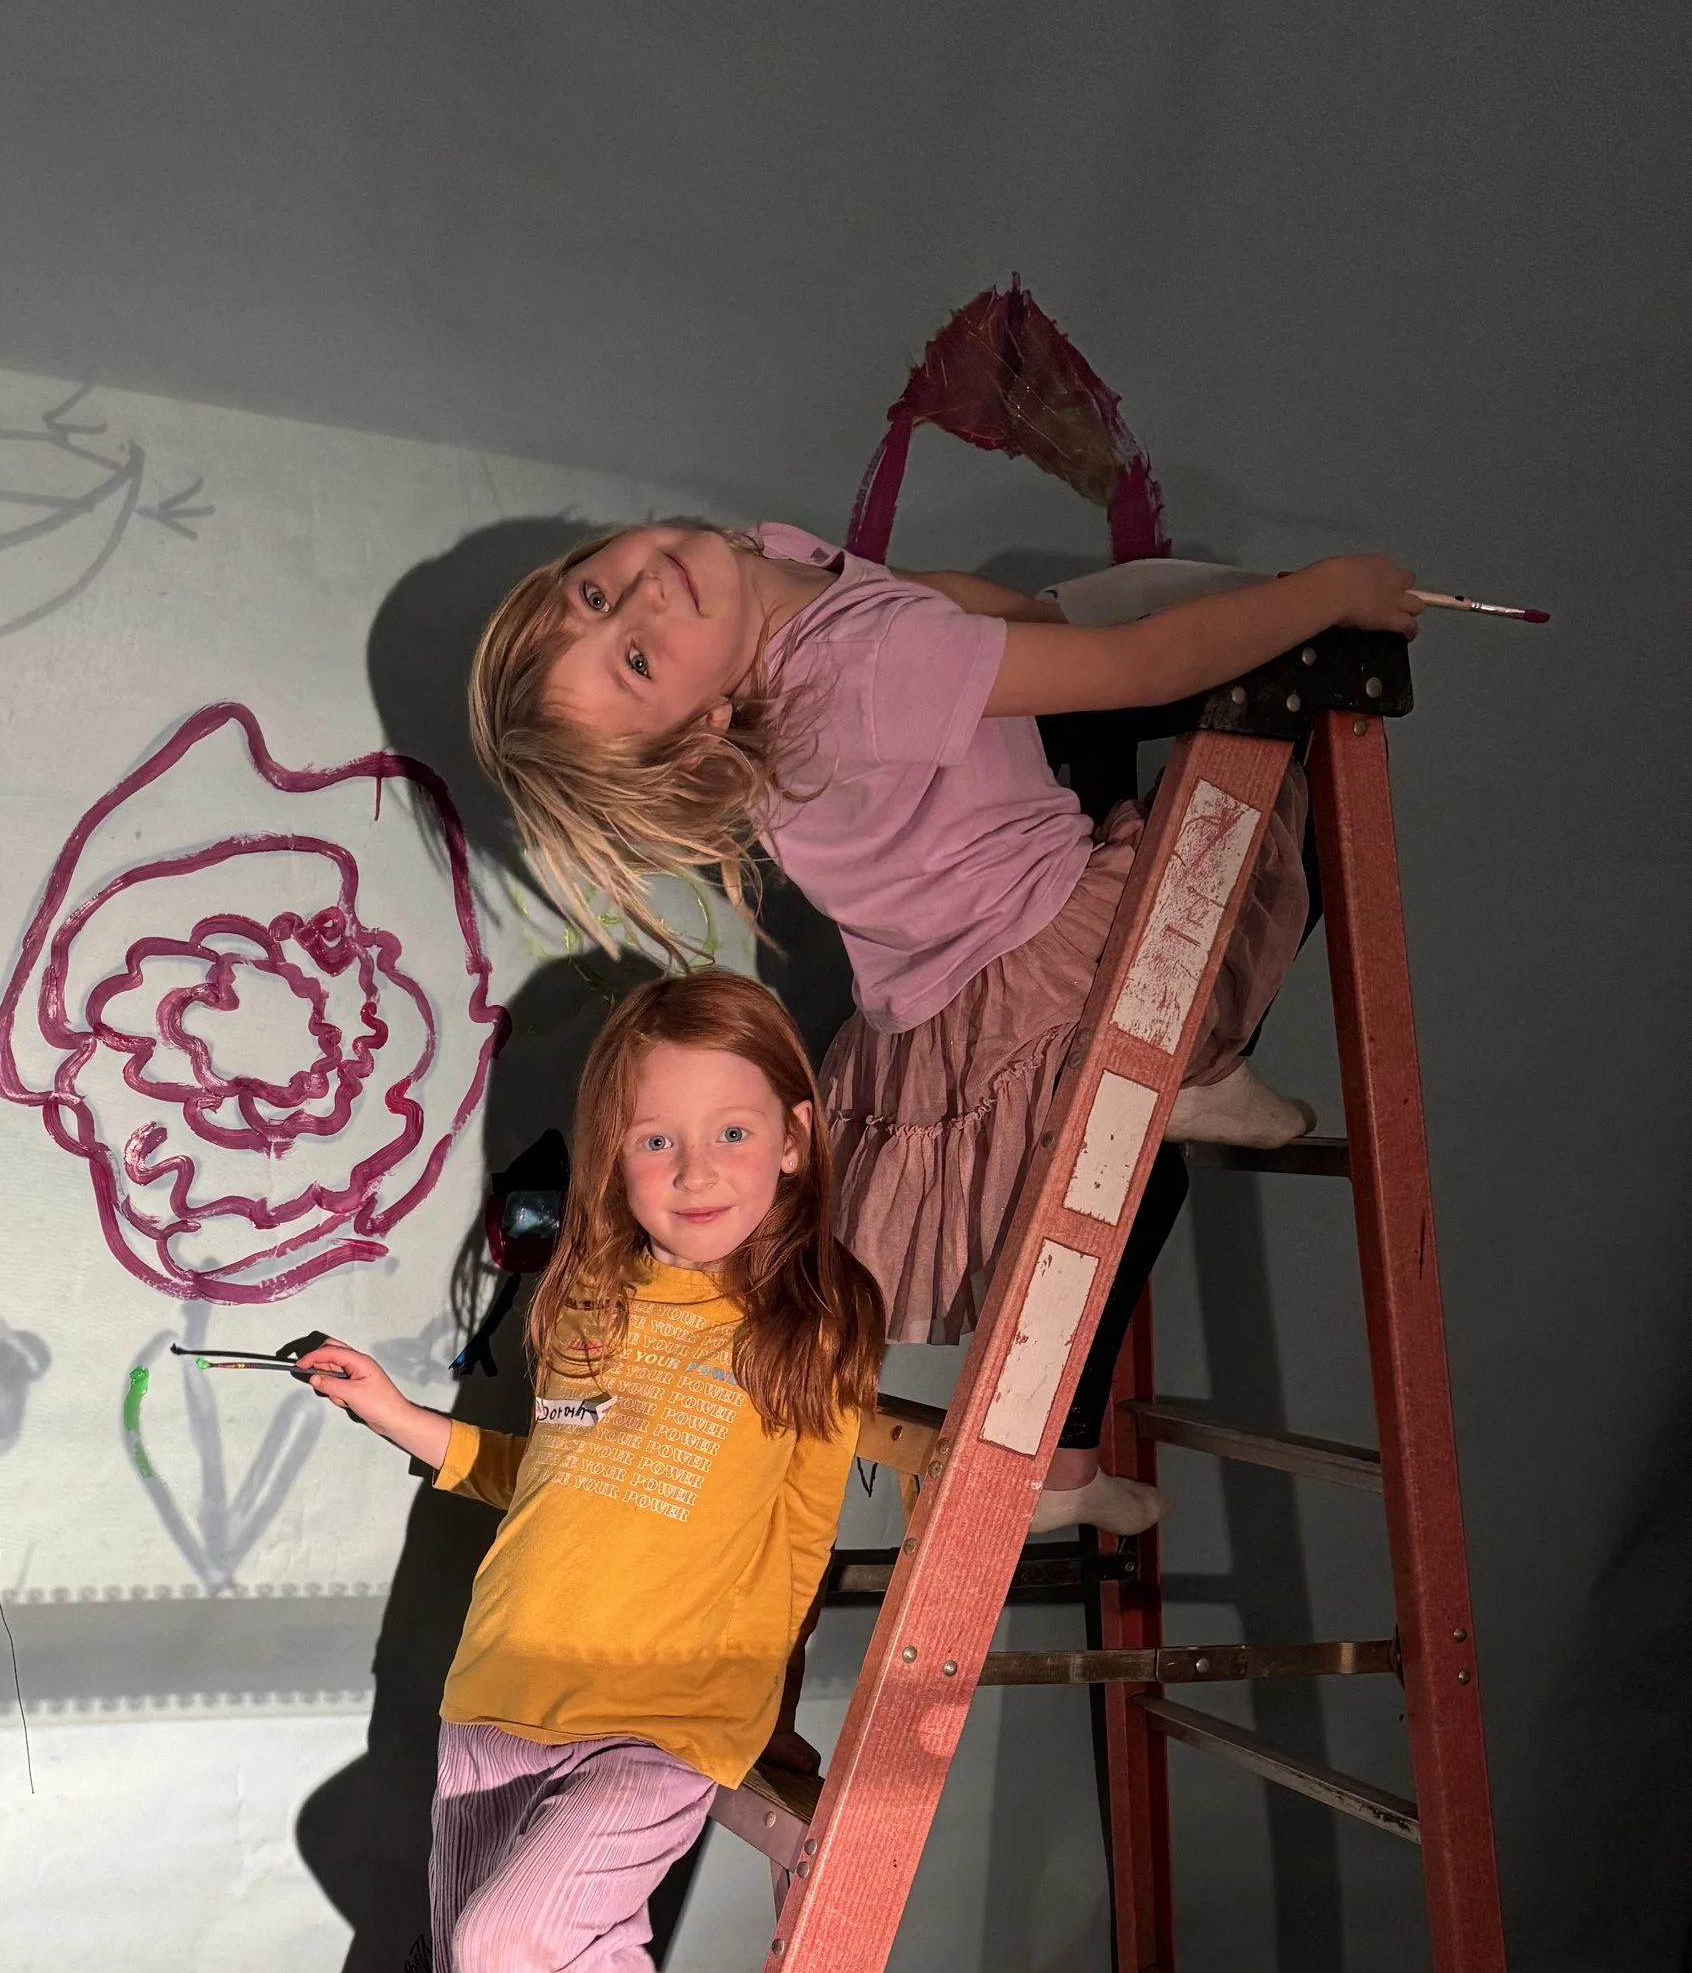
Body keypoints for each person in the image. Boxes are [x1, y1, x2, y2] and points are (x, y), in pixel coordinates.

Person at [298, 972, 929, 1973]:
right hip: (494, 1704)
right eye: (656, 1140)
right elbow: (551, 1485)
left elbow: (806, 1540)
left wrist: (759, 1753)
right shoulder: (583, 1298)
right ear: (612, 1158)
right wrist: (407, 1423)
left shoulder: (814, 1322)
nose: (695, 1167)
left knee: (519, 1962)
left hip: (661, 1733)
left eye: (728, 1130)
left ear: (794, 1139)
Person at [469, 525, 1424, 1531]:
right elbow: (1144, 666)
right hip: (1040, 951)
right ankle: (1198, 1063)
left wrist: (1041, 618)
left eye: (591, 596)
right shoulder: (858, 670)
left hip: (947, 981)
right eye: (634, 659)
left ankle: (1063, 1456)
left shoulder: (767, 567)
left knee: (1129, 1178)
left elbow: (945, 592)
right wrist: (1329, 592)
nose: (640, 600)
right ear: (708, 718)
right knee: (1275, 824)